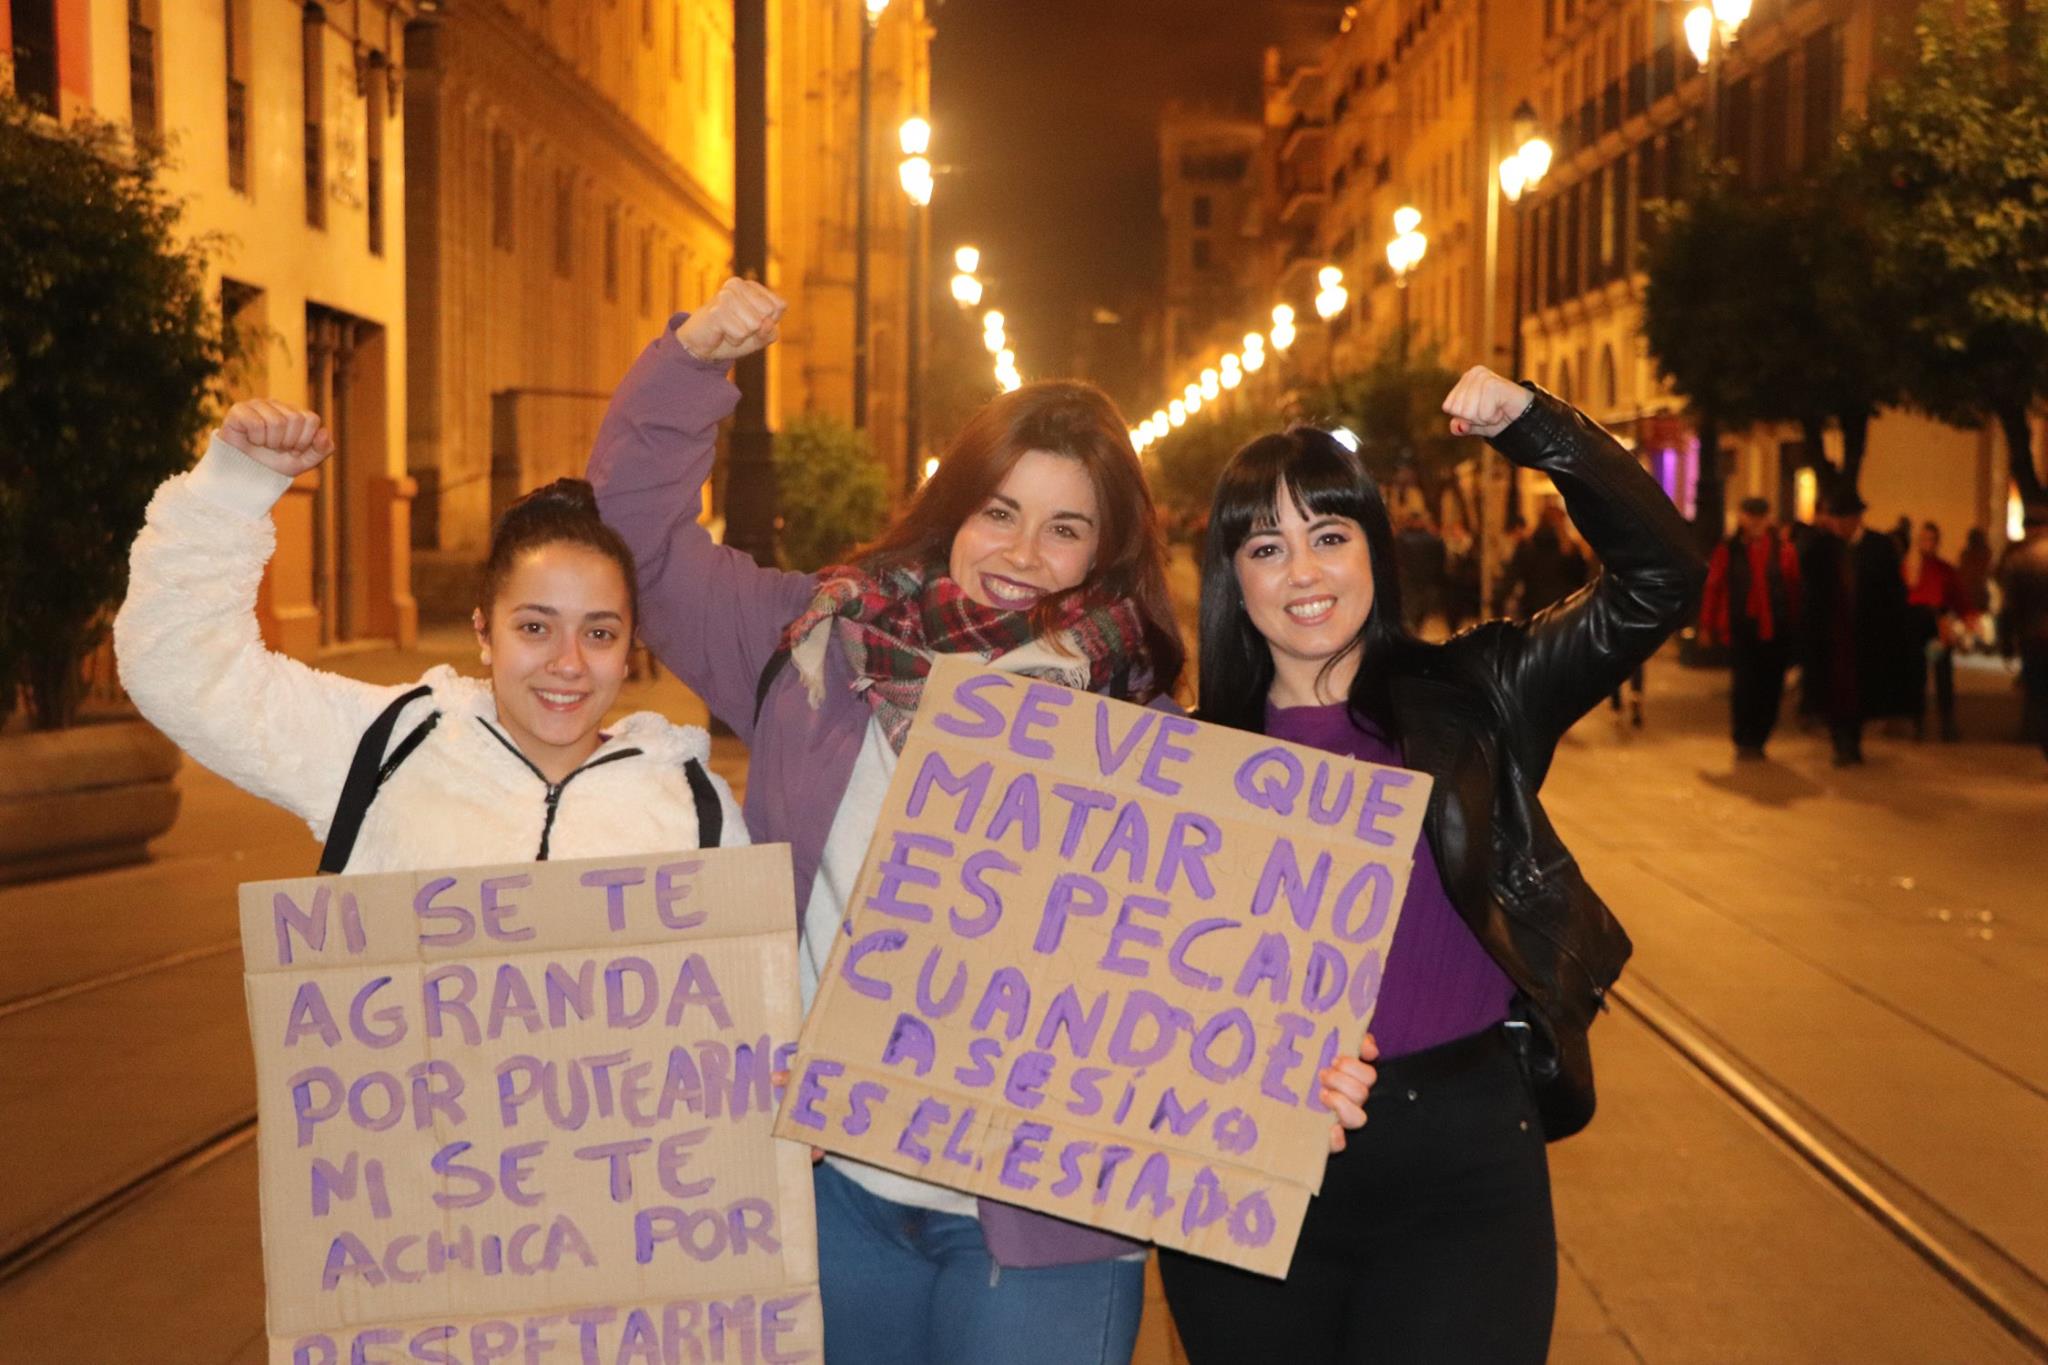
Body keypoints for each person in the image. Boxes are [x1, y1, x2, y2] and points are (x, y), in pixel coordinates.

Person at [584, 279, 1379, 1365]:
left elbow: (1220, 979)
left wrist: (1296, 1071)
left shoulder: (1149, 740)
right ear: (951, 508)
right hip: (829, 1191)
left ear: (1103, 555)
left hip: (1048, 1226)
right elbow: (633, 538)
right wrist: (691, 362)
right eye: (998, 511)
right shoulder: (811, 644)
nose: (1019, 552)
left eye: (1064, 529)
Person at [1156, 367, 1705, 1365]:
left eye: (1329, 535)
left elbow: (1661, 577)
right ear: (1232, 578)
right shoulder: (1177, 762)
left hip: (1461, 1170)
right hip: (1241, 1168)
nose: (1304, 571)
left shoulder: (1475, 694)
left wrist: (1538, 428)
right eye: (1266, 547)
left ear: (1374, 549)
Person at [112, 400, 746, 874]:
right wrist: (231, 491)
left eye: (600, 633)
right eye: (535, 627)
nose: (568, 662)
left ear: (630, 648)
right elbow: (184, 673)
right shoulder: (391, 745)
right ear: (484, 632)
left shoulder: (691, 807)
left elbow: (744, 989)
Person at [1799, 489, 1911, 765]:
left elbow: (1893, 591)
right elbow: (1808, 586)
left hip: (1867, 632)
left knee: (1861, 689)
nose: (1838, 524)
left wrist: (1893, 629)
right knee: (1834, 690)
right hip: (1832, 633)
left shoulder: (1879, 547)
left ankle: (1853, 740)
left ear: (1856, 519)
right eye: (1834, 518)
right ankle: (1841, 743)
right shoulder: (1822, 547)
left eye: (1843, 518)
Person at [1701, 496, 1803, 758]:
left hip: (1775, 629)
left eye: (1760, 516)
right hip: (1742, 628)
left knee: (1771, 685)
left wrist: (1795, 626)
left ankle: (1759, 737)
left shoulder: (1783, 550)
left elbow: (1792, 588)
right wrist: (1707, 625)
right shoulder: (1730, 549)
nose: (1755, 521)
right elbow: (1714, 586)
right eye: (1750, 515)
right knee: (1744, 686)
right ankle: (1744, 738)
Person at [1902, 520, 1971, 741]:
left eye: (1932, 539)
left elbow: (1958, 598)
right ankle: (1917, 722)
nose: (1928, 544)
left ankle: (1946, 723)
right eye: (1924, 539)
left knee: (1943, 675)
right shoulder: (1908, 568)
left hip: (1938, 623)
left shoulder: (1945, 570)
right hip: (1915, 622)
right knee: (1916, 674)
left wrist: (1966, 619)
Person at [1998, 507, 2048, 764]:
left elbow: (2009, 606)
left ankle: (2039, 735)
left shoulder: (2019, 560)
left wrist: (2006, 640)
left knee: (2038, 692)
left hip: (2033, 636)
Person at [1493, 498, 1589, 618]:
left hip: (1534, 611)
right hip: (1563, 611)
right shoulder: (1567, 549)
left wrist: (1497, 603)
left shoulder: (1528, 546)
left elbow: (1511, 578)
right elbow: (1580, 578)